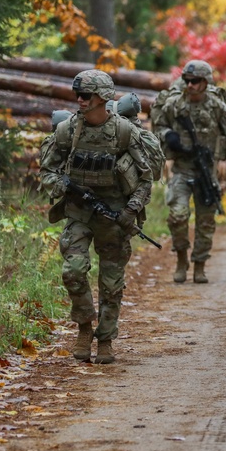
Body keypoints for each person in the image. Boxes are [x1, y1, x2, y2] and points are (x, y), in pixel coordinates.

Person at [39, 70, 154, 364]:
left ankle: (105, 340)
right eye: (77, 95)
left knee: (112, 282)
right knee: (73, 271)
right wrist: (64, 186)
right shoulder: (67, 131)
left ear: (102, 97)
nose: (80, 100)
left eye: (85, 95)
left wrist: (131, 211)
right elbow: (47, 171)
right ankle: (84, 328)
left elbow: (145, 178)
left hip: (114, 214)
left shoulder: (125, 132)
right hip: (79, 212)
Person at [154, 60, 226, 284]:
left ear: (205, 82)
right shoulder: (175, 105)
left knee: (205, 221)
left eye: (195, 81)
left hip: (207, 171)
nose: (190, 85)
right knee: (178, 216)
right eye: (187, 81)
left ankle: (200, 265)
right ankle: (182, 259)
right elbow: (158, 125)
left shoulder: (217, 106)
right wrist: (167, 136)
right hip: (182, 169)